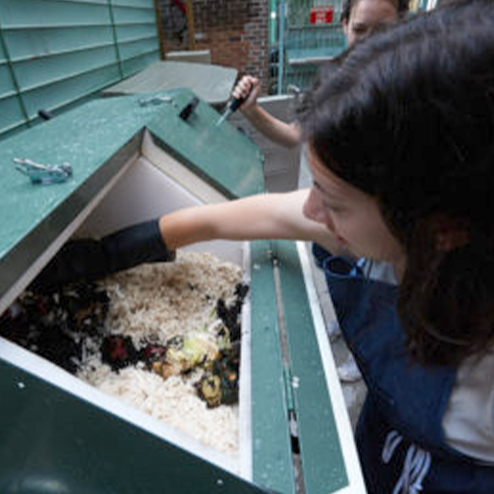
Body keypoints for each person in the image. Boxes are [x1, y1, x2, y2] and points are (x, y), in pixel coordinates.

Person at [34, 0, 494, 491]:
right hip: (387, 437)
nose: (310, 211)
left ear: (438, 227)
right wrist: (122, 248)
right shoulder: (411, 222)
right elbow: (263, 213)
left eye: (334, 202)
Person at [231, 0, 410, 151]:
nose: (369, 42)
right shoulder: (333, 80)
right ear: (345, 25)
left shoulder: (414, 89)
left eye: (383, 31)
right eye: (359, 30)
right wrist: (251, 109)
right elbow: (295, 135)